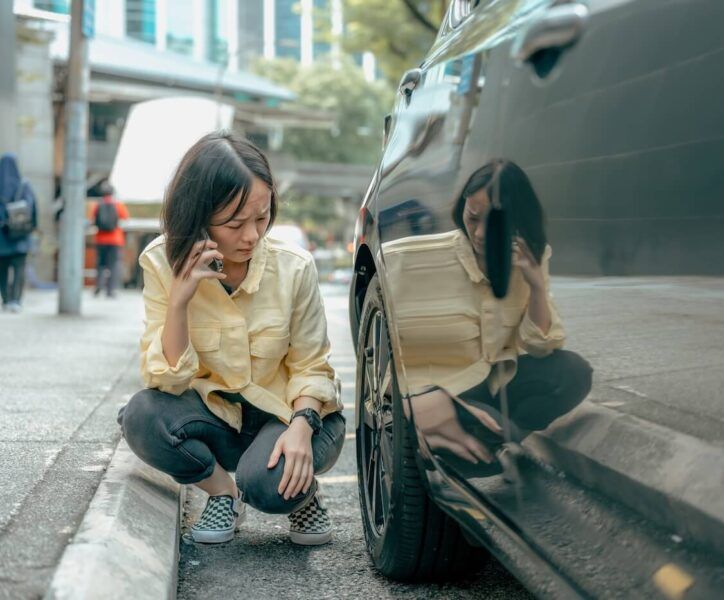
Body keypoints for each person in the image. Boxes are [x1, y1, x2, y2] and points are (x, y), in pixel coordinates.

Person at [117, 132, 345, 546]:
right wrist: (180, 301)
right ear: (198, 216)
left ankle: (303, 493)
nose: (252, 236)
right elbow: (165, 381)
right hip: (219, 417)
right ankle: (223, 493)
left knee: (269, 488)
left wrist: (302, 427)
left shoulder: (294, 267)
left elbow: (312, 366)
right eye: (235, 224)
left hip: (290, 415)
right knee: (140, 416)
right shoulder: (158, 260)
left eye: (262, 217)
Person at [385, 160, 592, 477]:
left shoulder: (528, 256)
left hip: (494, 382)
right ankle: (483, 438)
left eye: (495, 224)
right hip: (438, 393)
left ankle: (501, 436)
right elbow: (380, 346)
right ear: (463, 208)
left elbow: (540, 346)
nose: (480, 233)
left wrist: (535, 286)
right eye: (473, 218)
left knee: (571, 372)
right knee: (486, 449)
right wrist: (413, 400)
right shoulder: (409, 259)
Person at [0, 154, 38, 313]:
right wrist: (33, 226)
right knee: (19, 269)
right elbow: (33, 209)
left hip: (1, 237)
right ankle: (16, 300)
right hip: (20, 236)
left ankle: (6, 299)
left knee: (2, 270)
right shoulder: (24, 185)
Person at [90, 181, 130, 298]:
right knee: (113, 265)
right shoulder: (118, 205)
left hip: (100, 239)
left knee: (100, 264)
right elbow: (125, 218)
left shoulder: (98, 205)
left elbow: (93, 220)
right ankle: (110, 290)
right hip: (115, 240)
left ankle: (98, 287)